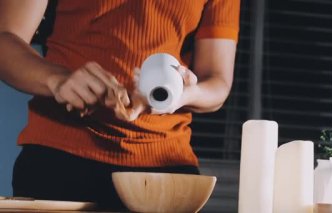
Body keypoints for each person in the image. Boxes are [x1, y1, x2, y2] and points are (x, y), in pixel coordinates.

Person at [0, 0, 240, 210]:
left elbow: (217, 81)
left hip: (165, 171)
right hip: (58, 160)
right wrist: (57, 79)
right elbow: (6, 39)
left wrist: (182, 95)